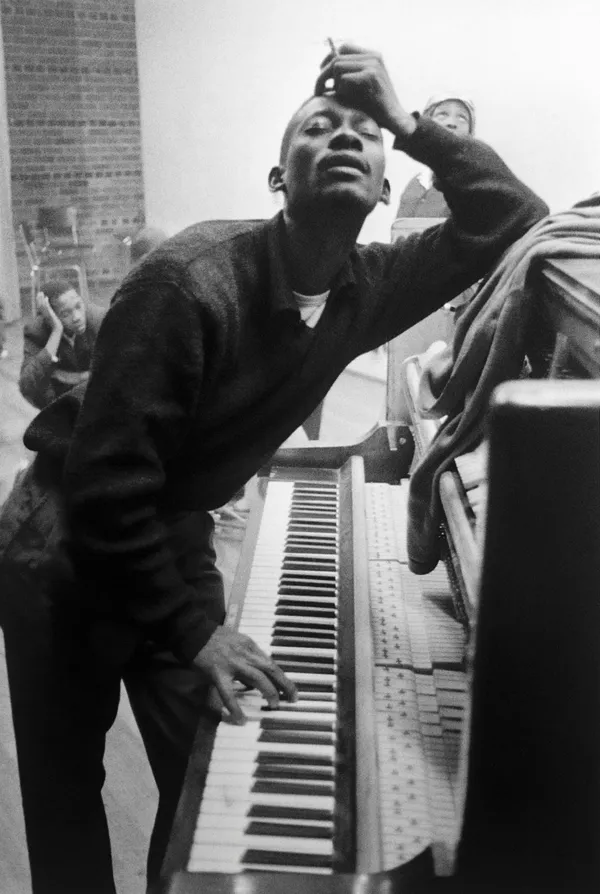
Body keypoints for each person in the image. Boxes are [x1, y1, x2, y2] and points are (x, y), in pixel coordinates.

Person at [0, 44, 548, 894]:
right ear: (276, 178)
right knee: (69, 799)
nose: (345, 139)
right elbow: (108, 487)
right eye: (318, 127)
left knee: (207, 773)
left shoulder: (369, 285)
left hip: (168, 526)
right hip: (62, 542)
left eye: (365, 136)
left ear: (378, 184)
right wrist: (194, 630)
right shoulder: (187, 281)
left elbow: (513, 217)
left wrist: (410, 124)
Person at [19, 279, 105, 409]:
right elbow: (27, 385)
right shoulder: (36, 331)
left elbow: (122, 364)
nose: (77, 317)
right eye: (65, 313)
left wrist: (76, 378)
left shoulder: (98, 318)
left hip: (98, 393)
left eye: (78, 306)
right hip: (61, 400)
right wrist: (56, 330)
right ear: (50, 316)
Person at [395, 92, 476, 219]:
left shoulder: (475, 183)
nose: (452, 123)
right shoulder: (416, 183)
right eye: (442, 114)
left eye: (462, 117)